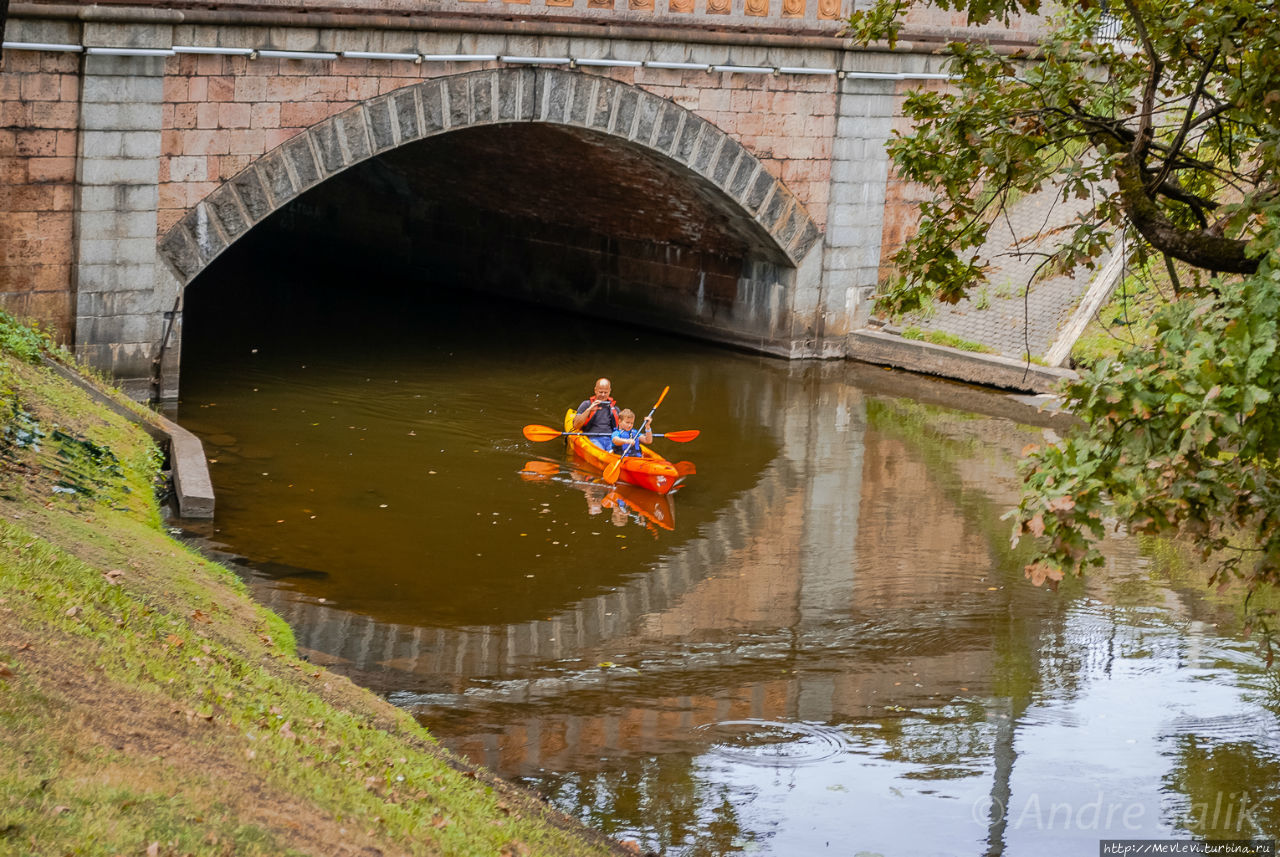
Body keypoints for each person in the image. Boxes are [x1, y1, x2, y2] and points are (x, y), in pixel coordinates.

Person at [574, 377, 620, 451]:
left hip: (610, 438)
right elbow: (576, 425)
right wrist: (589, 410)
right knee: (601, 450)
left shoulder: (615, 408)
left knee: (616, 451)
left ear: (609, 391)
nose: (603, 395)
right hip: (593, 438)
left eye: (605, 392)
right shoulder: (586, 404)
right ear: (595, 390)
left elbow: (623, 429)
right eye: (600, 392)